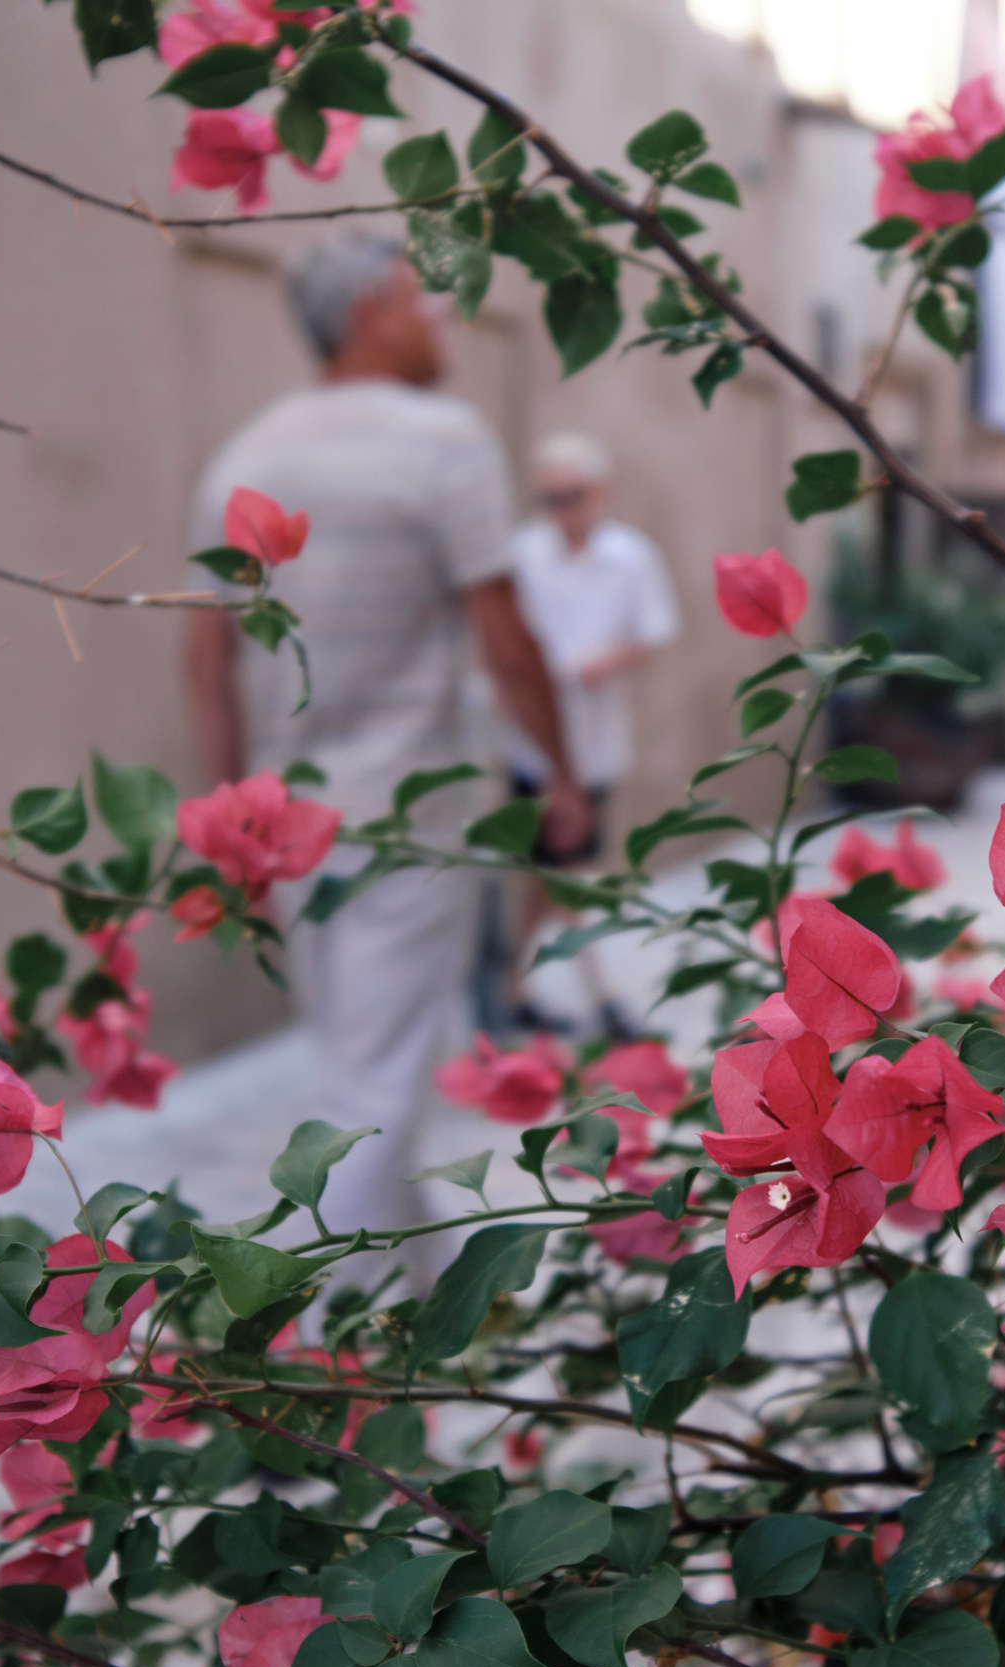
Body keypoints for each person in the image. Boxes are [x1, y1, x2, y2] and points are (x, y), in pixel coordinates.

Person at [182, 233, 590, 1240]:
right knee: (375, 1085)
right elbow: (506, 637)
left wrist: (233, 814)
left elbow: (205, 661)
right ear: (370, 312)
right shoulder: (442, 441)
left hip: (287, 826)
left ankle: (418, 1289)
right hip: (406, 827)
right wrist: (564, 778)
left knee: (364, 1064)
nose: (442, 316)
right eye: (422, 299)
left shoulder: (245, 455)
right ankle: (332, 1339)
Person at [497, 432, 678, 1029]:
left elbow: (652, 634)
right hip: (531, 741)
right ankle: (593, 996)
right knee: (557, 870)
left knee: (552, 871)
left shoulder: (630, 555)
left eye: (571, 496)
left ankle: (512, 988)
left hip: (594, 740)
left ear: (598, 493)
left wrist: (603, 662)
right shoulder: (522, 552)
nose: (560, 510)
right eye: (548, 497)